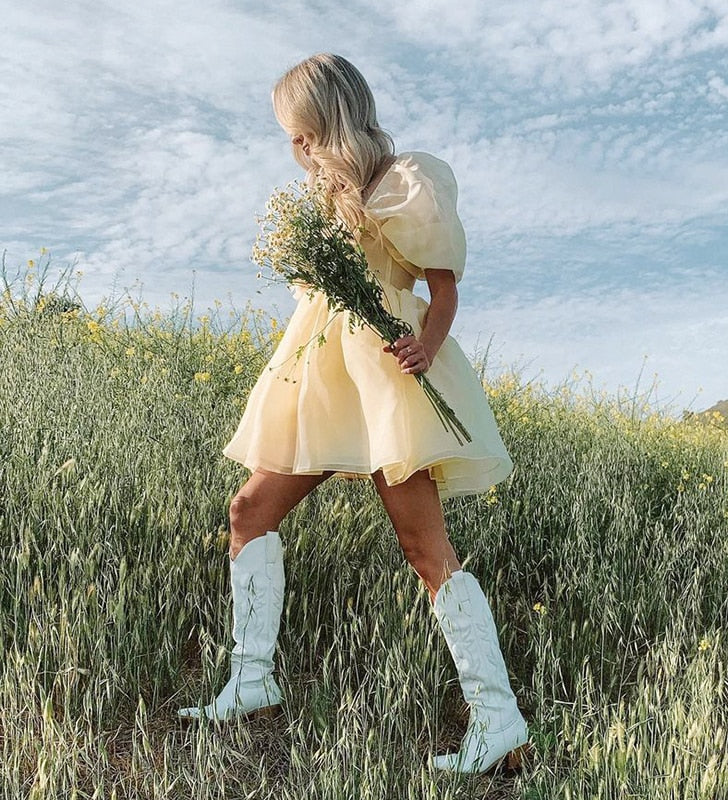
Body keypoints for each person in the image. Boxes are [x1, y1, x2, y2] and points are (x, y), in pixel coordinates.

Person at [177, 53, 531, 775]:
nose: (293, 145)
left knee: (423, 548)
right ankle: (252, 681)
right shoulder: (320, 201)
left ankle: (499, 721)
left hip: (384, 376)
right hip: (319, 377)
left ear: (329, 116)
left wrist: (428, 346)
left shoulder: (406, 181)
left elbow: (443, 289)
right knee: (249, 511)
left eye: (301, 130)